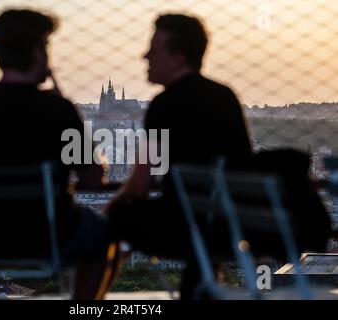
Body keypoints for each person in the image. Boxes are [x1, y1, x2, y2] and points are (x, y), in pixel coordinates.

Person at [0, 9, 114, 299]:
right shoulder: (59, 111)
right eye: (46, 47)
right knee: (104, 233)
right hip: (55, 236)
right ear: (36, 53)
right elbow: (94, 179)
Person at [106, 14, 253, 298]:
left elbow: (139, 185)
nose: (145, 55)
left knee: (115, 217)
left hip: (180, 226)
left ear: (178, 57)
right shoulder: (226, 97)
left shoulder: (164, 105)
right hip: (232, 224)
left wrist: (109, 207)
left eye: (154, 49)